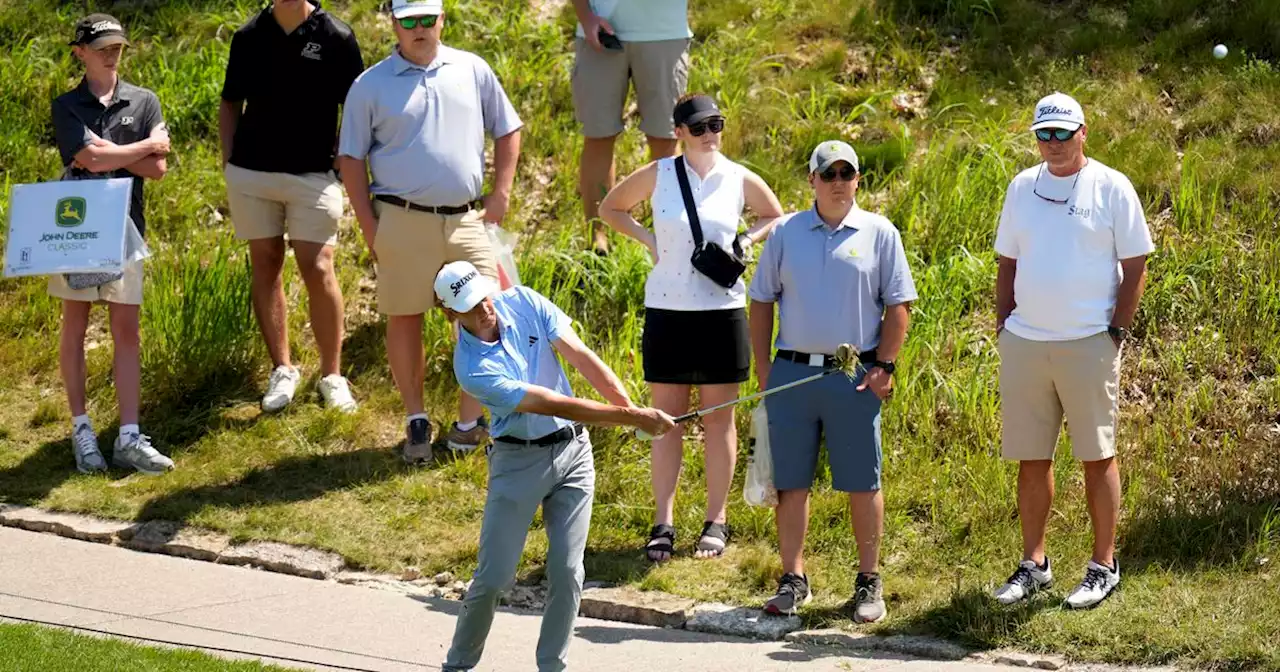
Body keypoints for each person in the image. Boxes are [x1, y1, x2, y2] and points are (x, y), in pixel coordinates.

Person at [435, 261, 675, 672]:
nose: (484, 308)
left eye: (483, 295)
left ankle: (552, 666)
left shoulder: (524, 301)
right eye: (471, 305)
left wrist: (631, 408)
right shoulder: (472, 369)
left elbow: (581, 355)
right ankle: (457, 665)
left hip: (573, 453)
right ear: (450, 313)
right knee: (493, 579)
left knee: (567, 570)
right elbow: (551, 401)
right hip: (517, 463)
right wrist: (632, 420)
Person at [598, 94, 783, 561]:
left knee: (720, 420)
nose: (709, 135)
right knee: (667, 422)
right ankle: (663, 521)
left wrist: (744, 240)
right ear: (678, 131)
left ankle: (716, 521)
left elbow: (774, 214)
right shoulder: (660, 173)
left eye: (716, 125)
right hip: (668, 310)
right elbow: (610, 208)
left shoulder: (737, 176)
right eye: (698, 128)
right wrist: (648, 240)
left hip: (722, 311)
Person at [338, 0, 523, 462]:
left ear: (442, 20)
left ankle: (468, 422)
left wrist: (500, 194)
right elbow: (350, 159)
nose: (418, 29)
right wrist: (368, 225)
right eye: (408, 21)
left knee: (486, 313)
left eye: (427, 19)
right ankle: (415, 419)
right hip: (400, 217)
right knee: (406, 317)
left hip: (466, 218)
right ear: (394, 25)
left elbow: (508, 129)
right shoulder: (369, 84)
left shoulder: (472, 68)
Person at [991, 93, 1153, 610]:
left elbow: (1136, 262)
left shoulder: (1111, 185)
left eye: (1063, 133)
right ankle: (1033, 564)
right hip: (1027, 342)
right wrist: (1004, 327)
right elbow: (1007, 264)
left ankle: (1103, 565)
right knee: (1031, 459)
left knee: (1096, 456)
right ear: (1035, 136)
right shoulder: (1021, 187)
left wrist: (1116, 330)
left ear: (1084, 132)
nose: (1054, 144)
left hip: (1089, 343)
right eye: (1045, 134)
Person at [748, 141, 917, 621]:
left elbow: (899, 306)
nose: (839, 181)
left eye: (848, 173)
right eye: (829, 173)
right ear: (812, 180)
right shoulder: (786, 232)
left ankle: (868, 582)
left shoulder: (880, 232)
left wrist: (885, 366)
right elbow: (761, 303)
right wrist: (765, 371)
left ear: (858, 180)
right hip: (793, 372)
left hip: (854, 374)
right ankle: (793, 579)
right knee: (791, 482)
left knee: (862, 480)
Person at [219, 0, 364, 414]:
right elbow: (230, 103)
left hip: (313, 175)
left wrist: (343, 154)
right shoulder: (248, 35)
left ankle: (332, 376)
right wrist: (228, 163)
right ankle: (282, 369)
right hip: (252, 173)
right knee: (266, 263)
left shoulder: (336, 36)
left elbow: (357, 106)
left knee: (317, 266)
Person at [50, 14, 174, 475]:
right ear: (80, 51)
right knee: (75, 326)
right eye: (101, 45)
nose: (111, 52)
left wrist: (110, 154)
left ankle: (128, 436)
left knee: (127, 332)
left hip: (127, 228)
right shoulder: (67, 104)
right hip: (76, 227)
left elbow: (157, 171)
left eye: (117, 44)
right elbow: (88, 157)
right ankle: (82, 430)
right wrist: (142, 147)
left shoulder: (144, 101)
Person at [572, 0, 691, 255]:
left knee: (665, 139)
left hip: (664, 34)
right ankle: (598, 240)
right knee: (598, 136)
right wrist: (585, 16)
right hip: (599, 30)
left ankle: (670, 238)